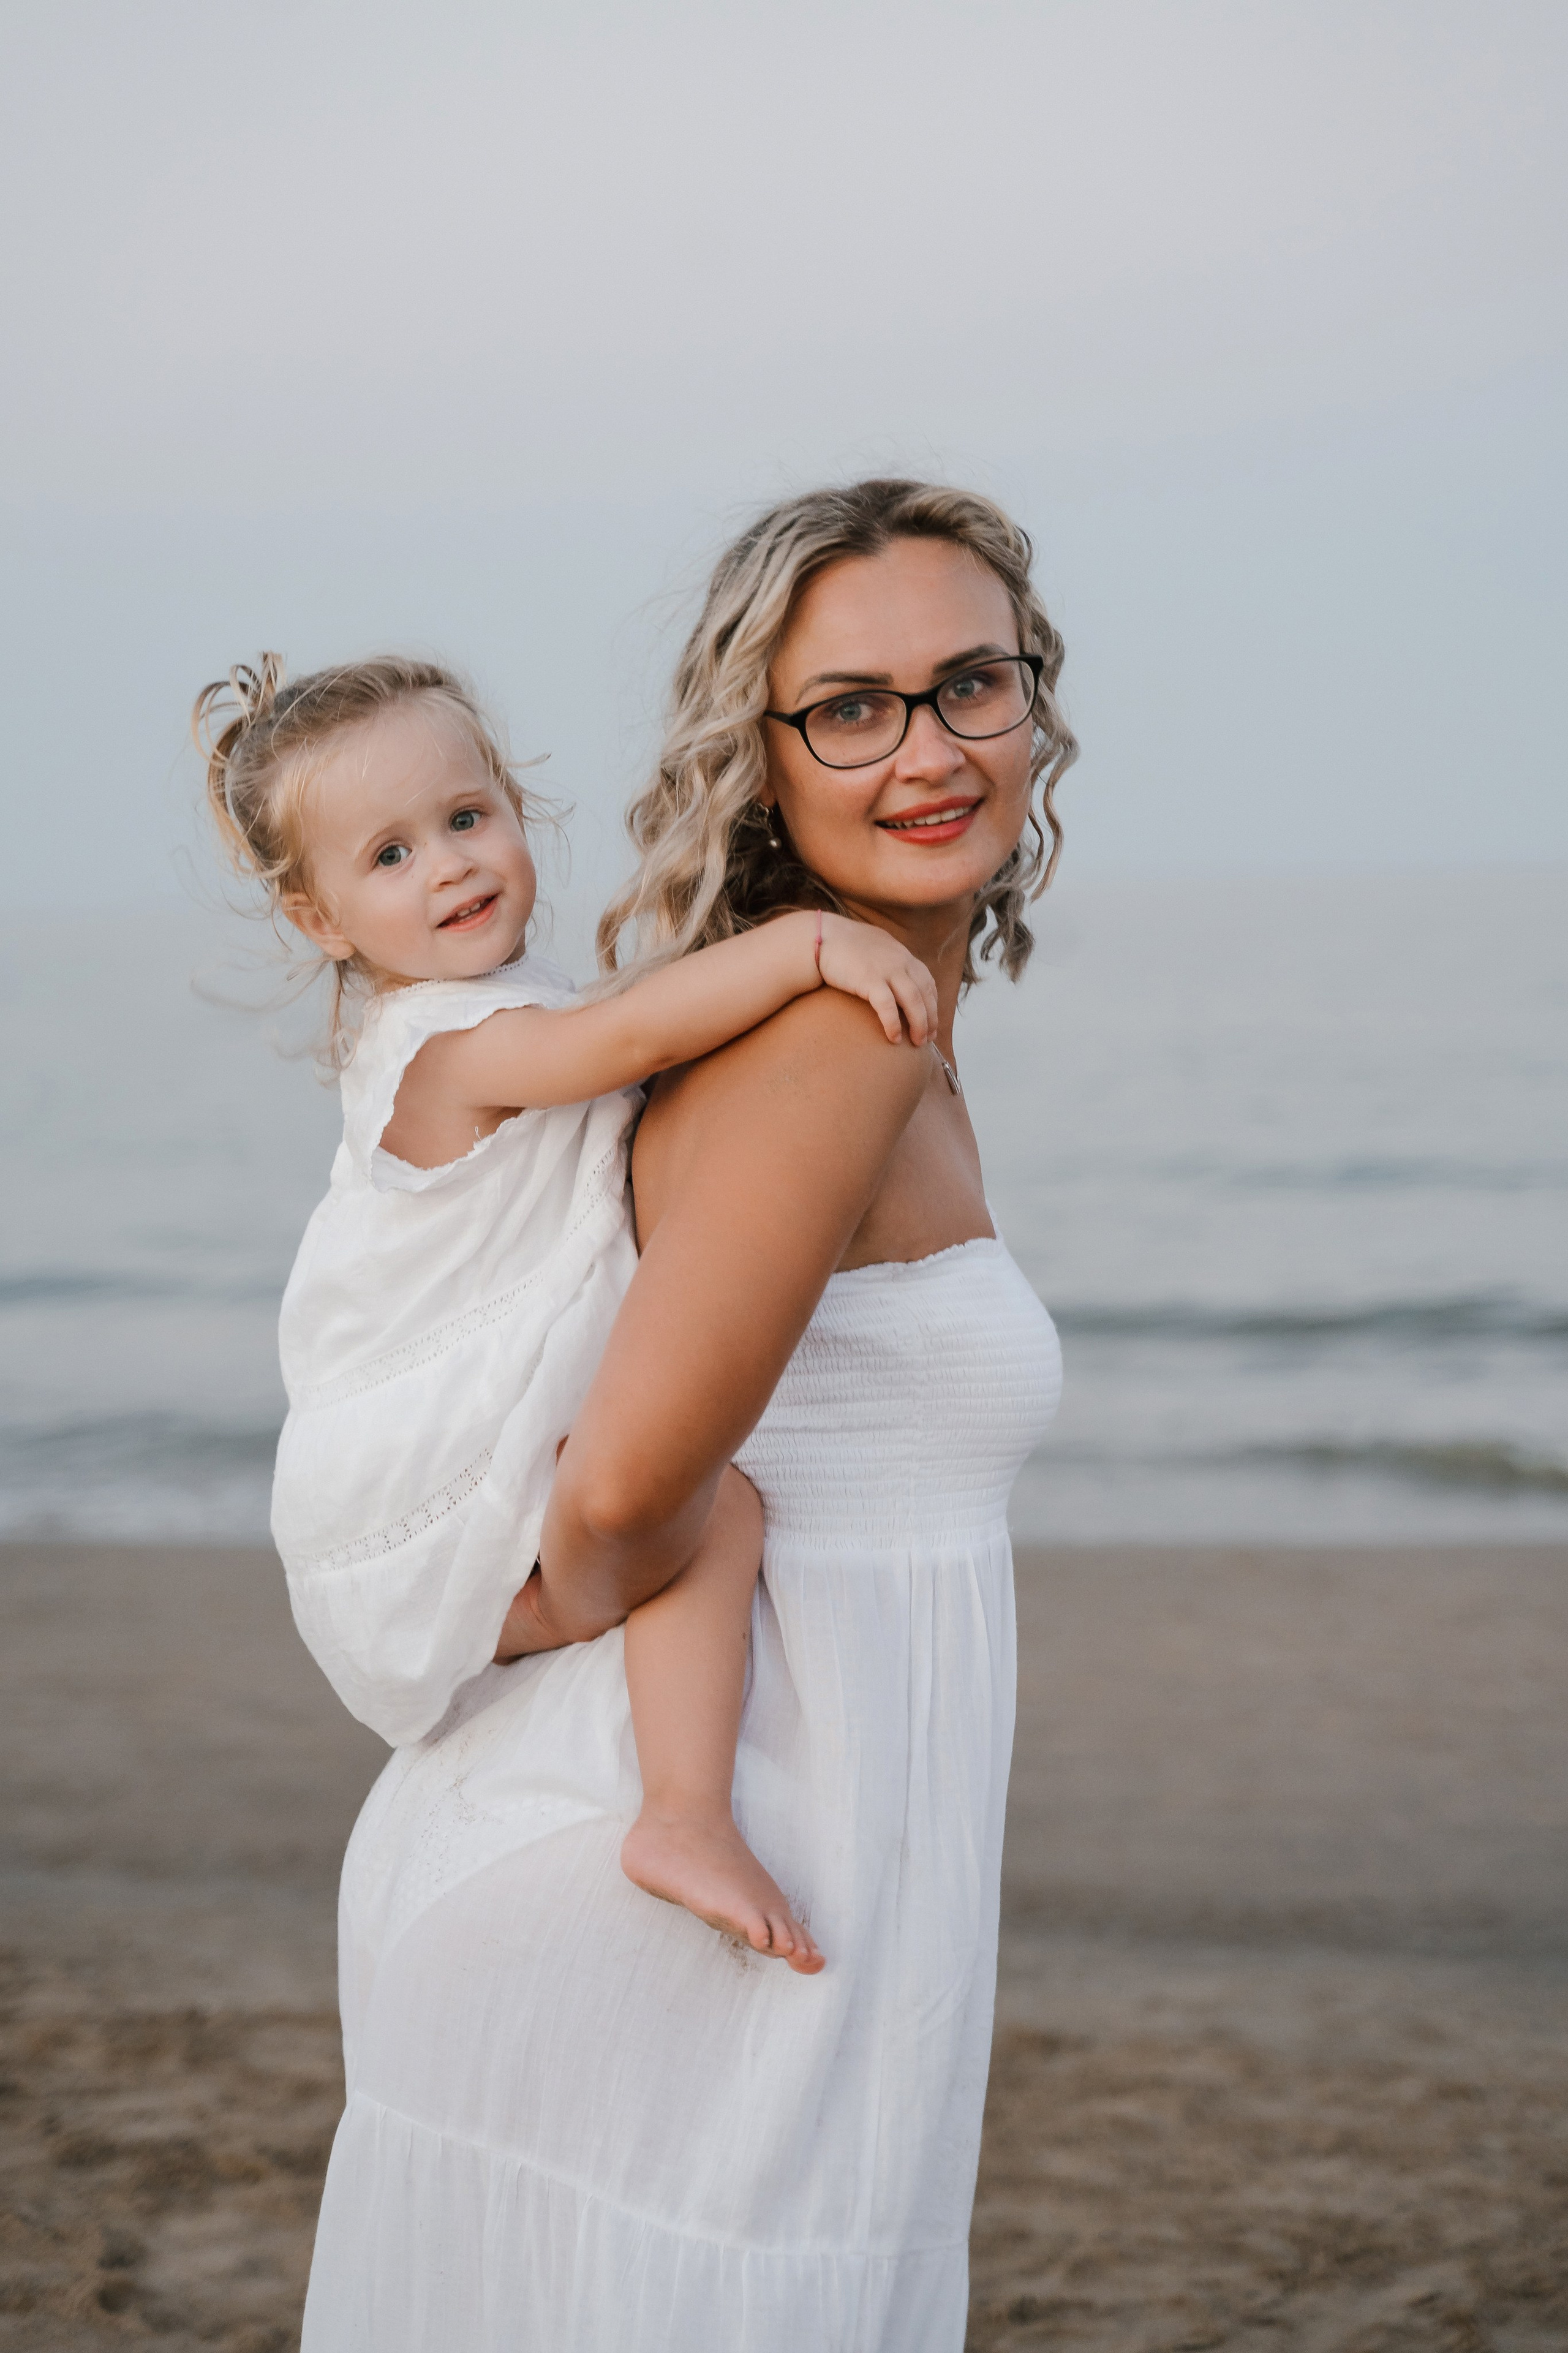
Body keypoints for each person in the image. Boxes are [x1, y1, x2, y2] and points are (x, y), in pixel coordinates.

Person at [300, 480, 1074, 2351]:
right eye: (851, 706)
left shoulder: (835, 1031)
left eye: (973, 680)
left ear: (1037, 697)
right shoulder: (827, 1042)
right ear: (762, 747)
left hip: (754, 1862)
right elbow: (631, 1486)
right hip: (670, 1906)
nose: (926, 748)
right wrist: (570, 1630)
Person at [197, 652, 940, 1971]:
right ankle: (681, 1815)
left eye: (468, 818)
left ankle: (647, 1766)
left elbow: (627, 1044)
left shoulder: (502, 1006)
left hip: (438, 1483)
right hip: (415, 1493)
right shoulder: (446, 1049)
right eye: (389, 855)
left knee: (690, 1500)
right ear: (321, 921)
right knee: (718, 1510)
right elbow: (616, 1045)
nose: (449, 866)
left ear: (515, 810)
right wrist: (803, 943)